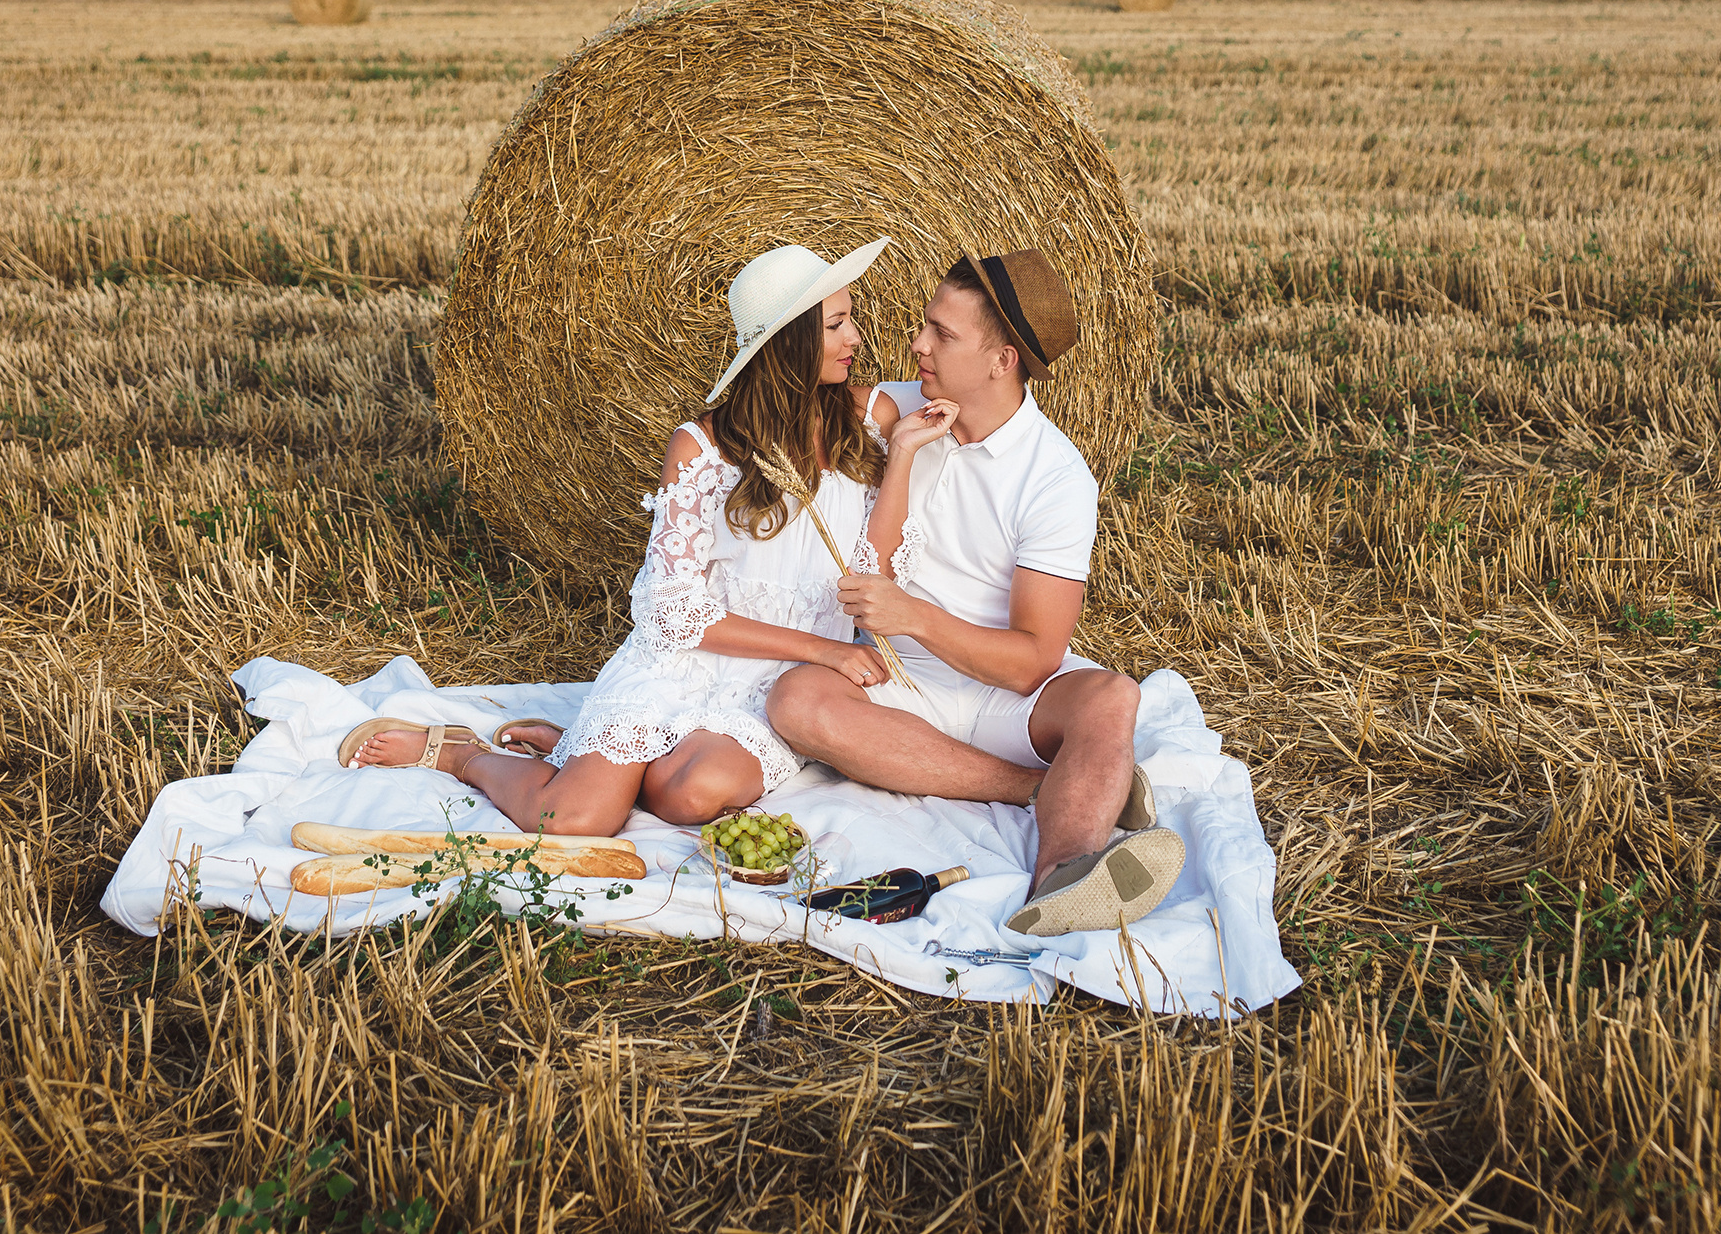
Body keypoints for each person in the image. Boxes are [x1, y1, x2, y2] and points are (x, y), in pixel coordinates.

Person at [333, 238, 912, 835]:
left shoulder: (871, 419)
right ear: (787, 341)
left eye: (851, 320)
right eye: (837, 325)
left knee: (688, 797)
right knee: (571, 818)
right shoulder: (705, 447)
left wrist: (907, 454)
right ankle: (465, 755)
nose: (856, 339)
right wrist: (827, 650)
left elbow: (876, 564)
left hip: (777, 682)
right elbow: (673, 613)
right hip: (687, 663)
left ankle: (590, 754)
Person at [766, 250, 1185, 937]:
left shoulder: (1055, 478)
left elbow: (1033, 662)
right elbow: (785, 403)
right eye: (924, 326)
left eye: (942, 333)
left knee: (1112, 696)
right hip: (894, 682)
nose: (916, 344)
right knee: (797, 698)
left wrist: (916, 617)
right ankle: (1041, 787)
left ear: (1003, 360)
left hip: (1005, 696)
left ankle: (1061, 877)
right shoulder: (899, 408)